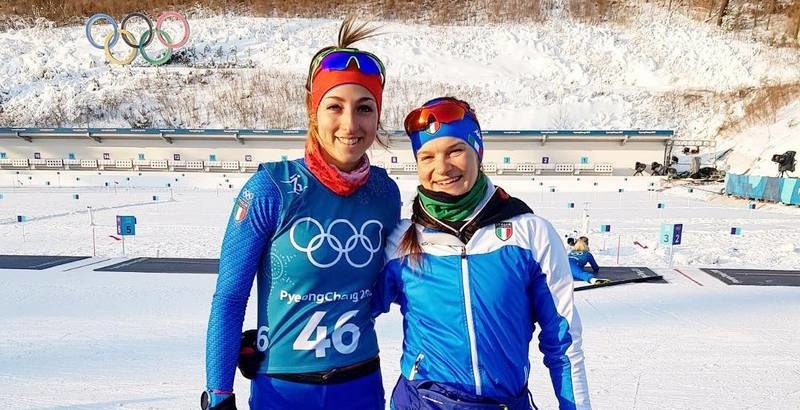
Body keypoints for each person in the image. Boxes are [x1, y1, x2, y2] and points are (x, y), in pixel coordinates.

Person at [202, 18, 400, 410]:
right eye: (334, 107)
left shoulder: (385, 192)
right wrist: (219, 392)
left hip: (361, 385)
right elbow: (230, 296)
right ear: (313, 110)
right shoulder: (270, 188)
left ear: (377, 116)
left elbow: (385, 288)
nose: (350, 124)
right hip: (284, 391)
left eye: (364, 108)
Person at [374, 97, 592, 409]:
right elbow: (352, 310)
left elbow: (563, 342)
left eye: (455, 151)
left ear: (478, 151)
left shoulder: (530, 234)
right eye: (427, 156)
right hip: (420, 402)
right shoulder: (400, 241)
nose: (442, 167)